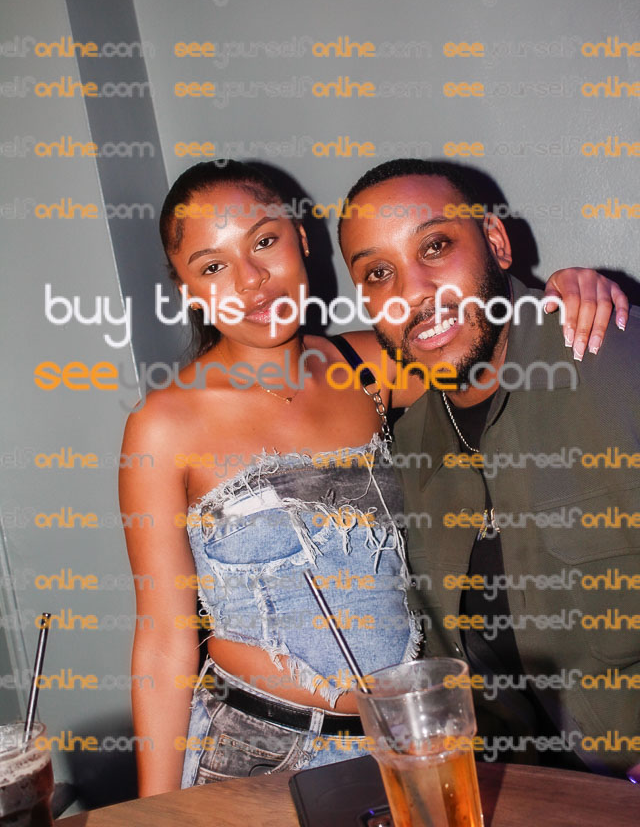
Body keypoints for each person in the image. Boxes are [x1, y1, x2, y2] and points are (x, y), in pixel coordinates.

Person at [119, 159, 627, 795]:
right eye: (213, 267)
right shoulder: (163, 426)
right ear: (189, 290)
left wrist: (566, 292)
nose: (250, 281)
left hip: (406, 745)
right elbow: (164, 641)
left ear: (301, 240)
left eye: (264, 242)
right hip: (251, 754)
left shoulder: (371, 366)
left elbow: (493, 342)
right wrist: (155, 808)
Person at [337, 158, 639, 778]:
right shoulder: (407, 450)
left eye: (435, 247)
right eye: (378, 273)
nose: (414, 293)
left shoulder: (616, 362)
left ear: (496, 243)